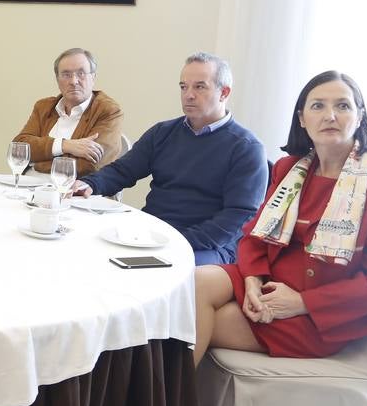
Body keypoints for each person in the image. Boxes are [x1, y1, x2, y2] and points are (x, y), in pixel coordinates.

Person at [192, 71, 367, 365]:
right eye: (318, 106)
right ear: (302, 118)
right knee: (194, 285)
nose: (330, 116)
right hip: (267, 281)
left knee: (198, 322)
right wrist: (252, 280)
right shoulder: (289, 169)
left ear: (360, 116)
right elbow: (254, 236)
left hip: (320, 315)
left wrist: (302, 303)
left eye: (343, 106)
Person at [74, 53, 268, 264]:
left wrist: (178, 241)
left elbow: (238, 216)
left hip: (206, 246)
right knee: (86, 251)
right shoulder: (163, 132)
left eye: (199, 87)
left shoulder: (246, 148)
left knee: (151, 274)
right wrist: (90, 184)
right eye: (184, 87)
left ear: (224, 93)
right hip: (152, 232)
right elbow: (123, 171)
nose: (189, 95)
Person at [13, 48, 124, 176]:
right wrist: (64, 145)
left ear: (93, 77)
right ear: (57, 80)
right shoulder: (43, 106)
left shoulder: (108, 111)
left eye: (81, 73)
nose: (73, 81)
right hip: (29, 186)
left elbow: (91, 165)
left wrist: (37, 164)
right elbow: (19, 149)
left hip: (75, 190)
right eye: (66, 75)